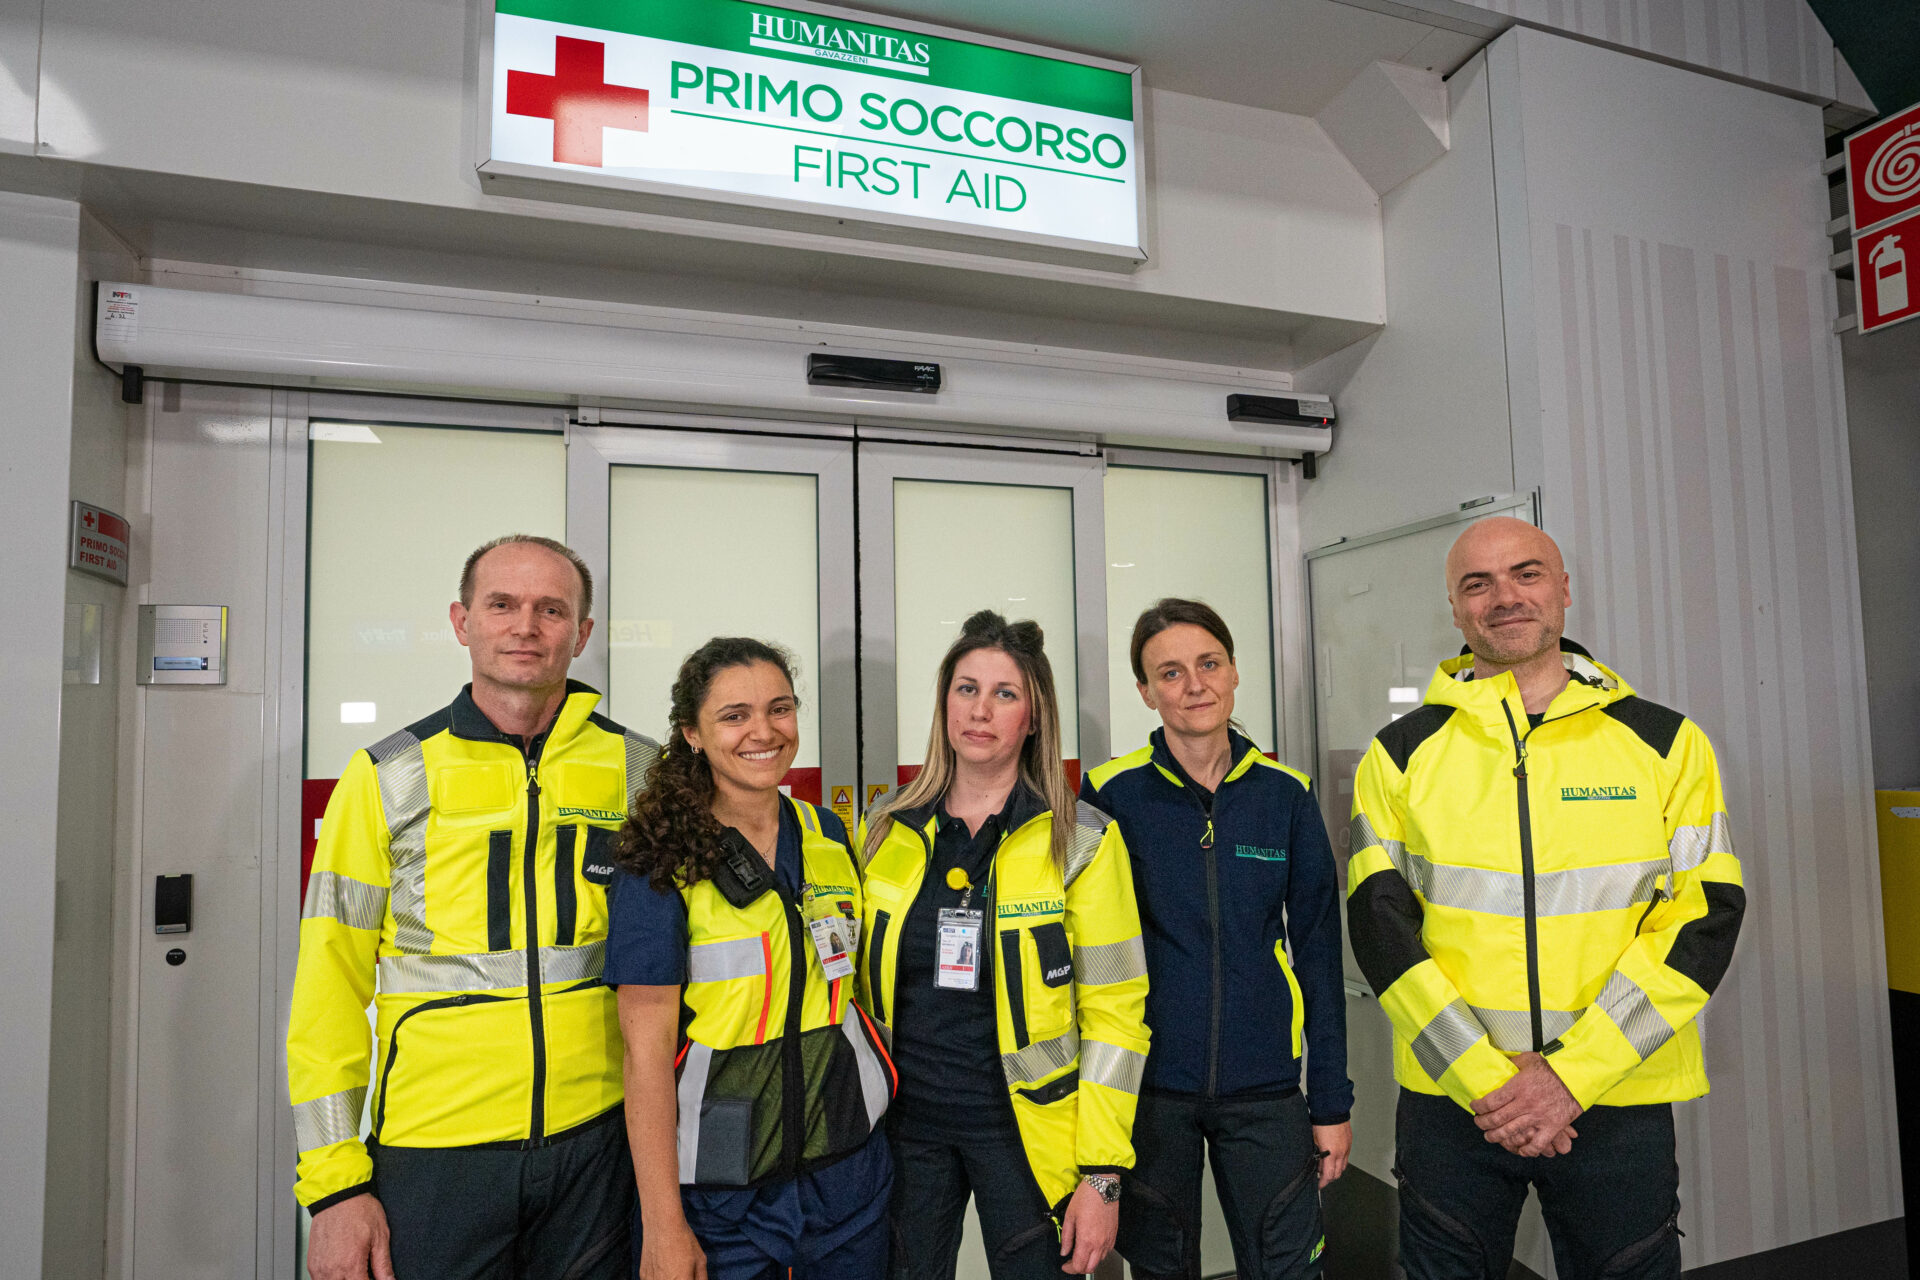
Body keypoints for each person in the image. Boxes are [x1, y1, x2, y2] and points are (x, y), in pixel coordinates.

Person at [1347, 517, 1747, 1280]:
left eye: (1526, 574)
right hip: (1455, 1103)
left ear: (1563, 590)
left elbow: (1704, 917)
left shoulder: (1666, 743)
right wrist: (1491, 1081)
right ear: (1456, 609)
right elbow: (1380, 928)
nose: (1505, 597)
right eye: (1478, 583)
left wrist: (1570, 1077)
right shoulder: (1400, 754)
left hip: (1616, 1097)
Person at [289, 534, 657, 1280]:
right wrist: (334, 1188)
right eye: (503, 605)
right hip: (435, 1154)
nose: (527, 626)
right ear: (463, 622)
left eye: (552, 610)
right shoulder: (386, 776)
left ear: (581, 635)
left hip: (600, 1145)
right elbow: (329, 986)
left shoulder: (639, 769)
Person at [858, 610, 1150, 1280]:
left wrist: (1103, 1176)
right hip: (904, 1133)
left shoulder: (1082, 843)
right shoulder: (884, 832)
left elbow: (1118, 1018)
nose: (980, 710)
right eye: (966, 689)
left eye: (1004, 693)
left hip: (1025, 1136)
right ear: (944, 703)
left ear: (1035, 716)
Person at [1081, 599, 1351, 1280]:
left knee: (1288, 1269)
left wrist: (1330, 1103)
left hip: (1265, 1090)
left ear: (1234, 673)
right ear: (1145, 692)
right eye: (1169, 673)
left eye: (1208, 664)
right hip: (1150, 1090)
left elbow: (1319, 954)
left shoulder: (1287, 796)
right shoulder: (1108, 795)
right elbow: (1081, 952)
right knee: (1162, 1270)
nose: (1193, 685)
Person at [608, 637, 894, 1280]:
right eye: (734, 716)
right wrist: (663, 1224)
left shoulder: (827, 834)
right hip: (718, 1194)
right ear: (693, 734)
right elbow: (645, 1057)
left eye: (780, 708)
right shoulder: (660, 861)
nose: (763, 731)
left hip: (847, 1173)